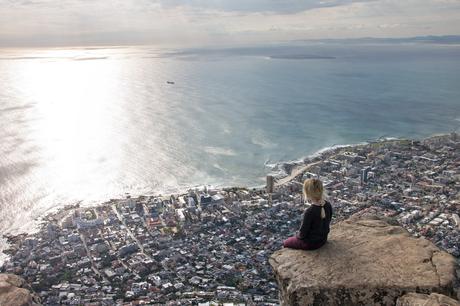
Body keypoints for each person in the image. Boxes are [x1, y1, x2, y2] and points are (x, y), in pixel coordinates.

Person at [283, 178, 333, 250]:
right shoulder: (328, 205)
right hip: (323, 240)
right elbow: (328, 222)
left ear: (307, 193)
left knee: (286, 242)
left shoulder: (310, 211)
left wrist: (297, 236)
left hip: (311, 244)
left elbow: (302, 234)